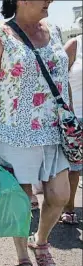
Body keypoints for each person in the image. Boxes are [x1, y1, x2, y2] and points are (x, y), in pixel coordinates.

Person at [0, 0, 71, 266]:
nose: (50, 1)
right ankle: (23, 260)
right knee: (20, 202)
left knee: (59, 196)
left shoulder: (54, 30)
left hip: (53, 130)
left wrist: (71, 121)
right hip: (13, 130)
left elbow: (62, 80)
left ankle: (40, 241)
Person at [61, 33, 82, 224]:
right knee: (73, 168)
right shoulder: (75, 45)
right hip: (77, 116)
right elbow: (57, 77)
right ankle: (69, 208)